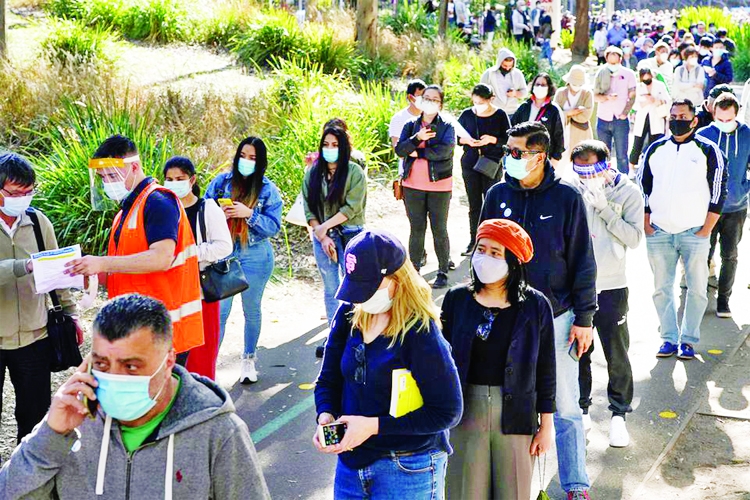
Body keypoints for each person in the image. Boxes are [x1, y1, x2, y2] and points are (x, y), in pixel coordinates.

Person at [0, 293, 270, 499]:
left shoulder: (219, 432)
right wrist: (50, 435)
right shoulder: (73, 420)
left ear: (168, 361)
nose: (115, 378)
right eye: (103, 364)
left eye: (131, 366)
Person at [481, 122, 596, 500]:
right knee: (503, 401)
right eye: (507, 152)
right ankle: (510, 484)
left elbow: (582, 260)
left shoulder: (566, 197)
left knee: (563, 405)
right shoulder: (497, 194)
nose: (509, 159)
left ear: (540, 156)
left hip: (557, 316)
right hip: (503, 313)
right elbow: (480, 250)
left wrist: (584, 319)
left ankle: (575, 484)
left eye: (517, 153)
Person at [313, 230, 463, 499]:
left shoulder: (420, 331)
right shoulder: (349, 313)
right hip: (351, 464)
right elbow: (328, 379)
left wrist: (372, 426)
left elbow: (448, 411)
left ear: (397, 279)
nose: (360, 298)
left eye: (368, 287)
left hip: (408, 467)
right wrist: (325, 415)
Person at [442, 219, 555, 500]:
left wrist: (547, 425)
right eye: (481, 249)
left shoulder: (536, 305)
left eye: (496, 252)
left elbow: (546, 368)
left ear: (513, 261)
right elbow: (440, 362)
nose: (485, 258)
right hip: (464, 414)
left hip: (517, 414)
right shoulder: (457, 300)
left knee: (513, 492)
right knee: (464, 491)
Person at [69, 135, 203, 364]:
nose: (107, 182)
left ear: (134, 167)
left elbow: (161, 258)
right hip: (136, 326)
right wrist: (87, 274)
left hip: (161, 331)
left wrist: (102, 263)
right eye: (102, 177)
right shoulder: (126, 211)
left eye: (112, 175)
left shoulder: (158, 201)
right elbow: (124, 269)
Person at [0, 152, 81, 443]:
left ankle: (31, 479)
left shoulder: (37, 222)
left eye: (29, 191)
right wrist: (25, 266)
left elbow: (57, 272)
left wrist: (71, 314)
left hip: (35, 337)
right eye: (14, 192)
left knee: (34, 418)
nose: (22, 198)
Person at [637, 100, 727, 360]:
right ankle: (668, 338)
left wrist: (706, 229)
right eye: (674, 116)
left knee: (697, 290)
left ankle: (688, 340)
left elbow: (719, 191)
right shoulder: (655, 149)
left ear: (694, 120)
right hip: (659, 232)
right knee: (661, 289)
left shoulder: (708, 150)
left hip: (695, 232)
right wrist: (646, 223)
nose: (678, 120)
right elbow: (643, 186)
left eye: (683, 116)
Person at [571, 140, 643, 448]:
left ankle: (618, 415)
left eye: (592, 168)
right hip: (577, 288)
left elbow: (635, 237)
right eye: (580, 171)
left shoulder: (628, 192)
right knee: (578, 352)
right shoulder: (571, 190)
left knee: (616, 352)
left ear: (607, 162)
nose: (587, 177)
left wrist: (604, 209)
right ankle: (581, 410)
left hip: (612, 285)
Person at [205, 137, 283, 383]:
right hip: (224, 253)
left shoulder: (268, 189)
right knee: (220, 312)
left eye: (253, 158)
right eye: (243, 156)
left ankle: (248, 360)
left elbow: (273, 227)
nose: (246, 162)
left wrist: (249, 214)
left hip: (256, 254)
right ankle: (209, 367)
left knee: (251, 309)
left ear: (260, 162)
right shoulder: (221, 183)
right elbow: (203, 209)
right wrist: (219, 212)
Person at [162, 156, 232, 380]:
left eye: (179, 178)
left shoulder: (207, 208)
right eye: (169, 179)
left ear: (192, 180)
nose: (174, 183)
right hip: (170, 292)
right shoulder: (164, 210)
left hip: (201, 293)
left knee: (201, 358)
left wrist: (189, 254)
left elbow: (224, 246)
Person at [302, 125, 367, 322]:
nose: (330, 148)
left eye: (335, 145)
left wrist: (324, 227)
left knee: (353, 285)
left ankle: (356, 332)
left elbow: (351, 207)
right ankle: (333, 334)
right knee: (331, 288)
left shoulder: (354, 172)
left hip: (350, 233)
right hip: (321, 235)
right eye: (326, 144)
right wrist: (321, 234)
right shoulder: (313, 173)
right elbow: (308, 208)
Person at [396, 84, 456, 289]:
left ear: (441, 104)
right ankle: (414, 271)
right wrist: (417, 139)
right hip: (412, 185)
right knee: (417, 228)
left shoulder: (447, 127)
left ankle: (442, 271)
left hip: (440, 186)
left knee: (439, 229)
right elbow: (400, 149)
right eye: (426, 98)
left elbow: (445, 152)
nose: (429, 102)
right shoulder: (411, 126)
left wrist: (419, 152)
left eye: (434, 99)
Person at [697, 93, 750, 318]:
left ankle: (723, 300)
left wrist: (744, 187)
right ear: (713, 114)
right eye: (720, 119)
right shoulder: (703, 135)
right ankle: (697, 298)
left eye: (729, 120)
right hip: (706, 207)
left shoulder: (747, 134)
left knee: (730, 255)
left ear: (736, 114)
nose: (724, 124)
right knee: (702, 255)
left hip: (736, 207)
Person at [457, 83, 511, 256]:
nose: (478, 105)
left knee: (491, 202)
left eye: (481, 102)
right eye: (475, 102)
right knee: (474, 204)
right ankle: (474, 240)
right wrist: (466, 141)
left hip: (491, 163)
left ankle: (492, 239)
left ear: (491, 99)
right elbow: (456, 136)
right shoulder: (467, 114)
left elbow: (508, 140)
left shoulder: (500, 115)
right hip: (470, 162)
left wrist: (492, 140)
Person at [594, 47, 637, 174]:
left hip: (620, 119)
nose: (612, 63)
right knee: (602, 154)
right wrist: (606, 97)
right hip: (603, 118)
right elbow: (595, 96)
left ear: (620, 58)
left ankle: (623, 181)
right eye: (610, 59)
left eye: (615, 59)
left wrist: (625, 113)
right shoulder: (600, 73)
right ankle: (603, 179)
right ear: (606, 58)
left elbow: (633, 96)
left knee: (622, 154)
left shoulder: (629, 74)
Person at [511, 73, 565, 167]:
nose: (540, 87)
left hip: (543, 158)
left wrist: (556, 159)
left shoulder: (553, 110)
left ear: (549, 87)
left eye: (543, 85)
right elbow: (512, 129)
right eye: (537, 84)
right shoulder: (524, 107)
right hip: (522, 156)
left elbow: (559, 136)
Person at [629, 68, 670, 174]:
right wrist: (645, 102)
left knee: (655, 142)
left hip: (656, 116)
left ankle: (653, 167)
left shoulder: (659, 85)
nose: (646, 78)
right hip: (643, 116)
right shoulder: (639, 87)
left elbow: (668, 100)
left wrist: (656, 100)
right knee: (638, 142)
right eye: (644, 76)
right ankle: (632, 168)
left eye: (648, 76)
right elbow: (635, 103)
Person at [554, 65, 595, 164]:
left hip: (581, 132)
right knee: (561, 161)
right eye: (574, 83)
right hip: (562, 132)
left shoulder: (587, 94)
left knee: (582, 159)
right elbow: (555, 113)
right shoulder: (560, 93)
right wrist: (569, 113)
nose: (576, 86)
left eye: (579, 84)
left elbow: (586, 115)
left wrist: (567, 114)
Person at [389, 79, 427, 175]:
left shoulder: (431, 118)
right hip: (407, 172)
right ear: (410, 97)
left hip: (429, 173)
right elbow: (397, 149)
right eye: (420, 97)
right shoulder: (398, 118)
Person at [480, 48, 529, 116]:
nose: (507, 68)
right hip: (493, 113)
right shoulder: (489, 74)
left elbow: (525, 93)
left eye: (510, 66)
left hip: (512, 113)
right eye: (505, 66)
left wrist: (515, 93)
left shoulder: (518, 74)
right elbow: (480, 92)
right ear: (499, 63)